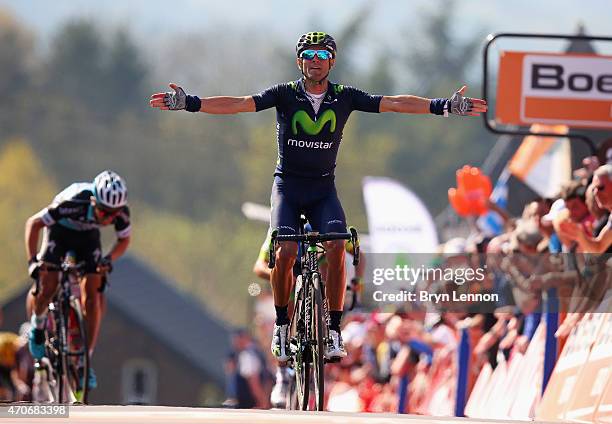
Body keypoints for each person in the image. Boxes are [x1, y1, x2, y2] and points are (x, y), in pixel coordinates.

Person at [150, 31, 487, 362]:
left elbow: (395, 103)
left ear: (331, 62)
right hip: (288, 188)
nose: (315, 61)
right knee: (285, 252)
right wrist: (190, 103)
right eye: (308, 55)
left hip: (323, 190)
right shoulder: (284, 94)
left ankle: (334, 330)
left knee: (338, 246)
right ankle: (283, 327)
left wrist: (444, 106)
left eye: (322, 55)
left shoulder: (345, 96)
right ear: (299, 62)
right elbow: (240, 104)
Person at [24, 170, 131, 389]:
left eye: (114, 214)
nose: (109, 218)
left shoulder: (119, 212)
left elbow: (124, 240)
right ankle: (38, 324)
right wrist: (32, 261)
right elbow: (33, 224)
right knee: (49, 284)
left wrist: (109, 259)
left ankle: (85, 360)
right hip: (59, 231)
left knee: (92, 296)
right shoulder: (74, 202)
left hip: (88, 238)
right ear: (94, 201)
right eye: (104, 212)